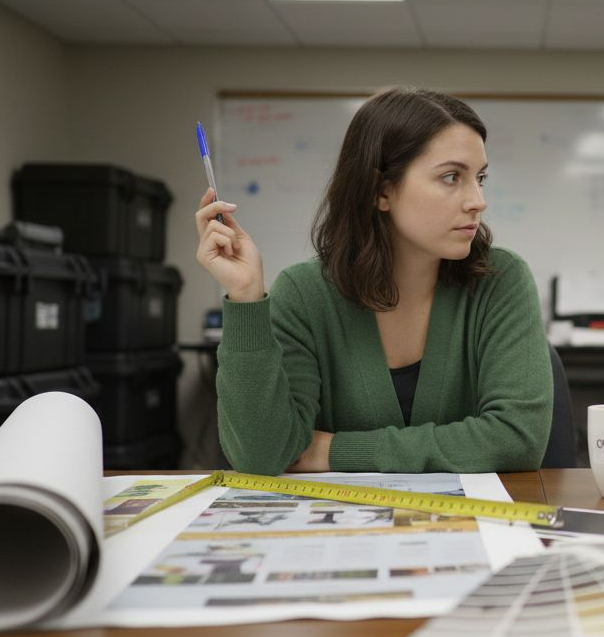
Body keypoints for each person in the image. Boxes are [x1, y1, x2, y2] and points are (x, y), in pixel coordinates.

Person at [194, 87, 552, 475]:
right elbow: (261, 455)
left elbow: (518, 439)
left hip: (477, 527)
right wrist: (246, 297)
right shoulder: (304, 294)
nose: (478, 200)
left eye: (479, 178)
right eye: (452, 177)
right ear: (382, 190)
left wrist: (331, 451)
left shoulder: (500, 281)